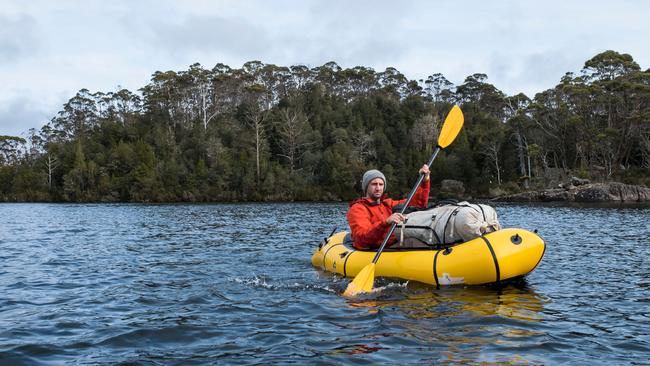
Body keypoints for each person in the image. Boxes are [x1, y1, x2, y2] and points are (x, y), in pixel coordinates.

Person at [347, 165, 430, 250]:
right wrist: (385, 222)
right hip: (375, 250)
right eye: (374, 184)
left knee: (422, 242)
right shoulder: (357, 209)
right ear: (366, 187)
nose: (378, 188)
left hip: (393, 245)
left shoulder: (388, 204)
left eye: (381, 184)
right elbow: (362, 239)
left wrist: (424, 182)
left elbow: (417, 204)